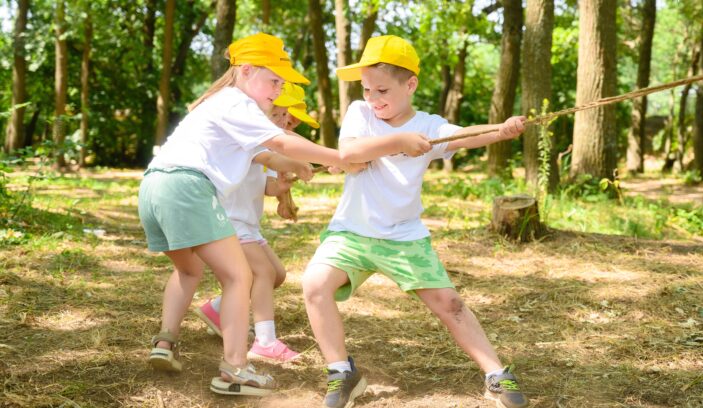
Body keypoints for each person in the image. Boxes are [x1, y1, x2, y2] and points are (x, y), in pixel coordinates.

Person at [301, 35, 529, 408]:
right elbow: (349, 152)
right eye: (367, 89)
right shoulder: (361, 113)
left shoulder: (429, 125)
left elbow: (464, 137)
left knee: (449, 303)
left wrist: (500, 129)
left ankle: (495, 374)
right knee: (314, 284)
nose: (374, 98)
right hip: (352, 232)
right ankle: (342, 371)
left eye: (383, 90)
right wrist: (400, 141)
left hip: (404, 237)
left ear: (411, 85)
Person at [138, 32, 363, 396]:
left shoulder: (219, 103)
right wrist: (339, 157)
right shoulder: (237, 102)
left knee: (188, 270)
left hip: (154, 186)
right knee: (240, 276)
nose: (278, 89)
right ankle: (235, 369)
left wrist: (303, 166)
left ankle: (164, 342)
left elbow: (269, 154)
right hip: (188, 187)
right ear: (245, 71)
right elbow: (278, 141)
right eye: (274, 80)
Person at [194, 82, 323, 364]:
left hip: (246, 224)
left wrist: (278, 187)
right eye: (276, 116)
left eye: (284, 118)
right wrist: (297, 163)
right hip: (229, 221)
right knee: (262, 272)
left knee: (275, 274)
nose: (282, 123)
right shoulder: (248, 138)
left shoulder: (261, 144)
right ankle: (265, 342)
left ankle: (217, 309)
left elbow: (259, 183)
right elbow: (273, 158)